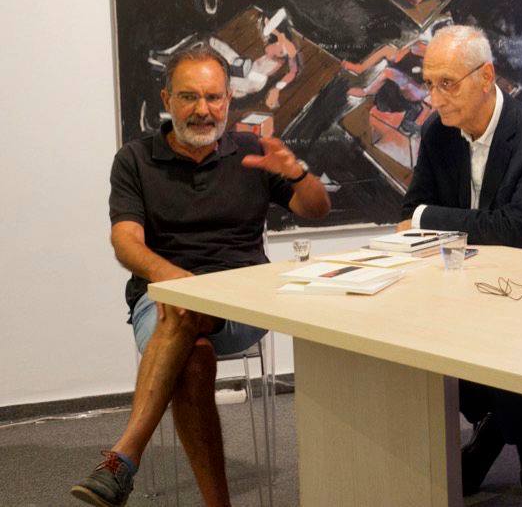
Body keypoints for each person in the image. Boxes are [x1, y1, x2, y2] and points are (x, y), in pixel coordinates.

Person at [71, 44, 330, 507]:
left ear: (229, 99)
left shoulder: (252, 151)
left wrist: (296, 173)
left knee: (186, 313)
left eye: (213, 97)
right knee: (192, 354)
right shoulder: (135, 159)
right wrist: (181, 283)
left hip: (243, 300)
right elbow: (126, 242)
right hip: (162, 300)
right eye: (189, 97)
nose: (203, 110)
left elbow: (316, 209)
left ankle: (123, 456)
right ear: (167, 99)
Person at [397, 25, 522, 496]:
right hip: (465, 275)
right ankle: (506, 420)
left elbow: (513, 229)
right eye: (429, 83)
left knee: (508, 365)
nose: (434, 99)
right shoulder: (438, 133)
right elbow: (410, 211)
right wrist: (428, 218)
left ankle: (511, 426)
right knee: (427, 342)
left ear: (486, 77)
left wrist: (429, 218)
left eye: (447, 84)